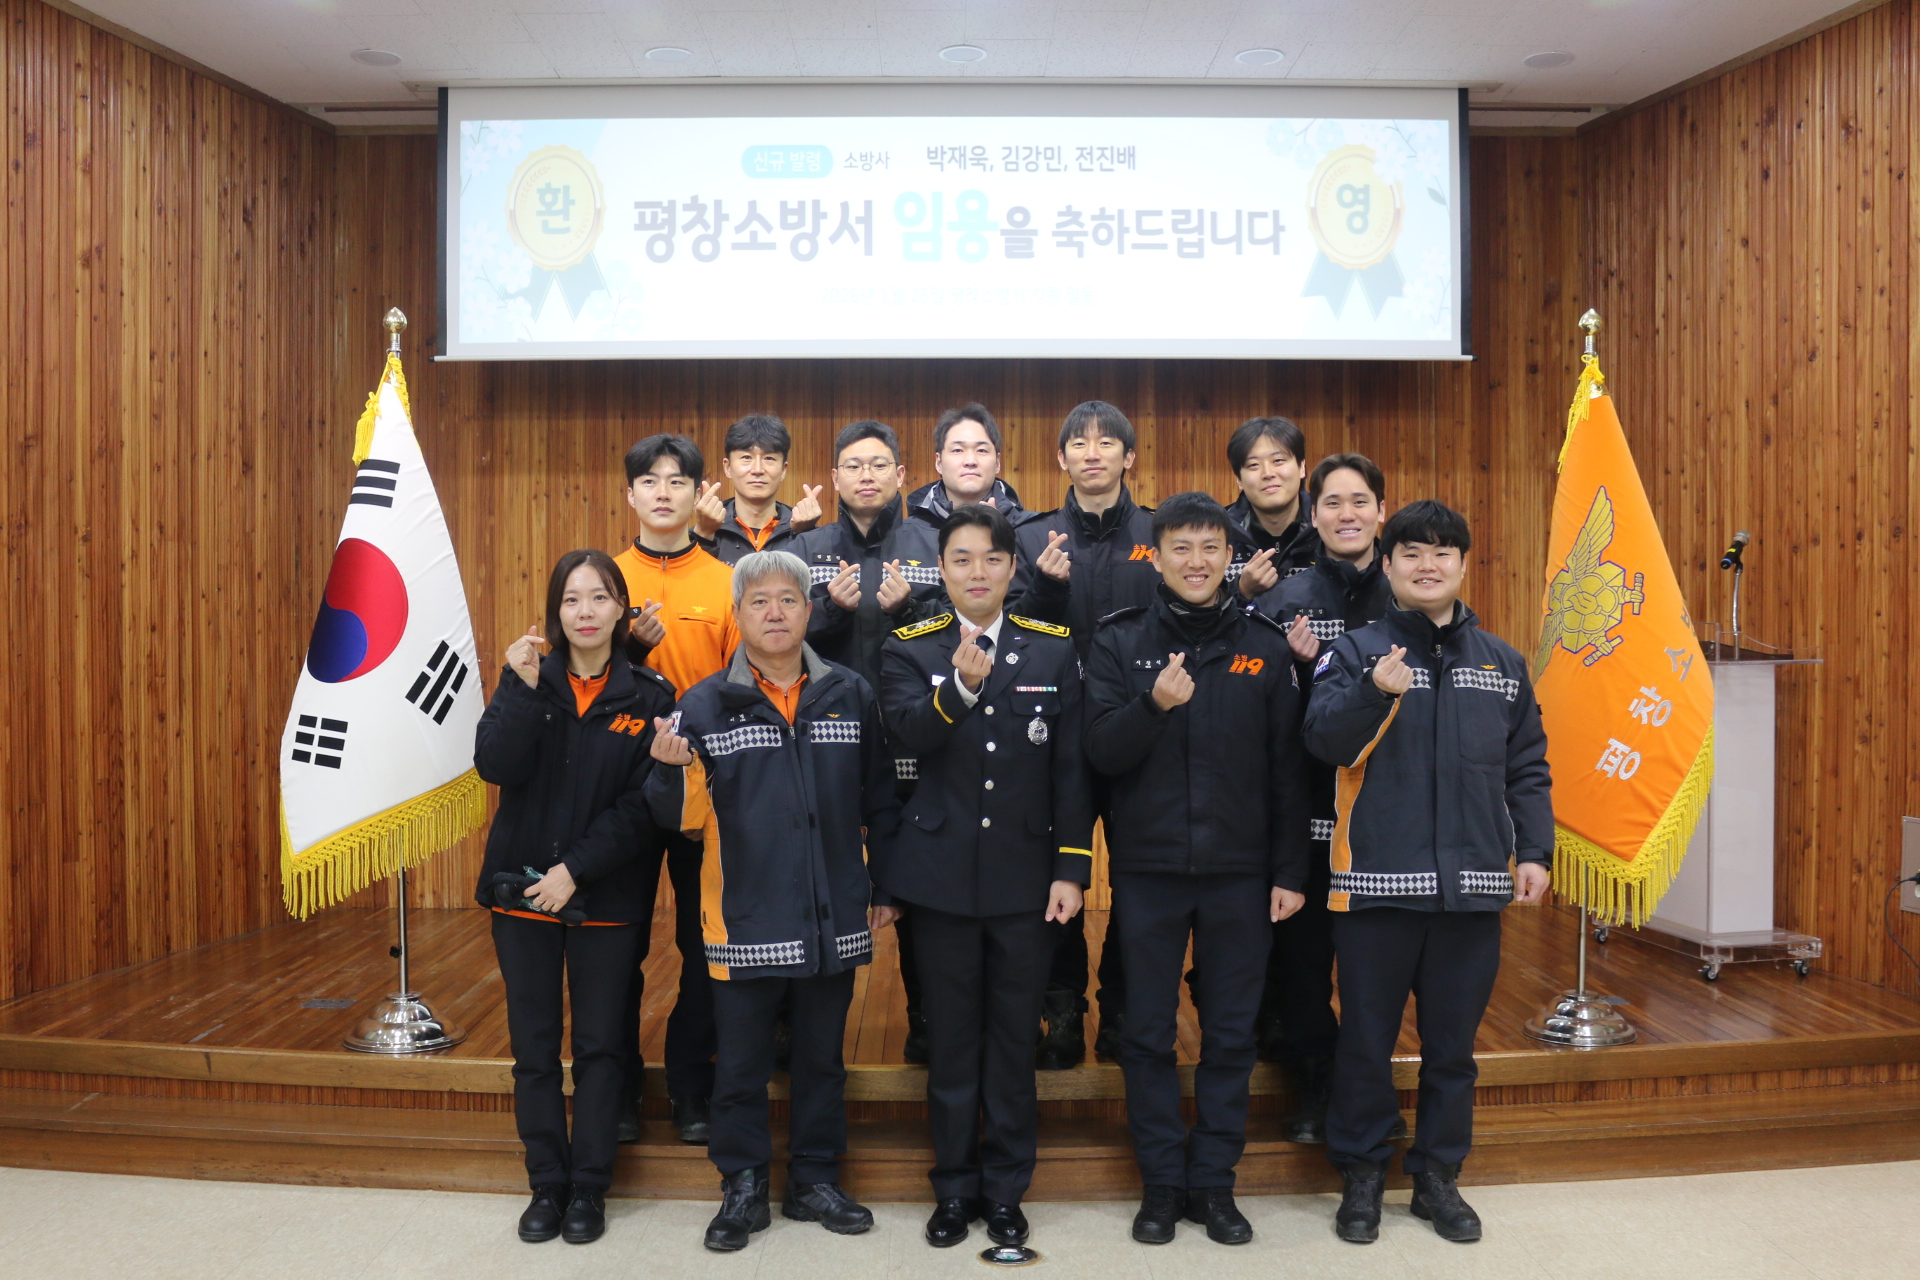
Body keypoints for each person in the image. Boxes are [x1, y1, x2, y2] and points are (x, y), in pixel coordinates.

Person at [1302, 500, 1552, 1246]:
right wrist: (1375, 691)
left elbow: (1527, 767)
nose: (1428, 565)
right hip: (1376, 888)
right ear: (1388, 565)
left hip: (1472, 890)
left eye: (1443, 552)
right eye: (1411, 552)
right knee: (1364, 1043)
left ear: (1464, 566)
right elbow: (1323, 742)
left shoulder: (1502, 663)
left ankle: (1438, 1175)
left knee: (1453, 1050)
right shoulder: (1355, 652)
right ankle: (1362, 1171)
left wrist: (1534, 852)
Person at [646, 550, 901, 1252]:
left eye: (788, 599)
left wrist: (885, 885)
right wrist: (667, 774)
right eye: (759, 602)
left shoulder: (850, 691)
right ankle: (744, 1185)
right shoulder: (702, 705)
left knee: (822, 1060)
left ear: (810, 611)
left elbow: (881, 797)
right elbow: (677, 821)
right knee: (740, 1064)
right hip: (743, 915)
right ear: (738, 616)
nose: (775, 613)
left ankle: (815, 1180)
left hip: (833, 913)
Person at [1083, 491, 1311, 1247]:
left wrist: (1289, 871)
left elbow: (1287, 773)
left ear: (1229, 557)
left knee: (1231, 1036)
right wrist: (1152, 706)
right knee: (1146, 1034)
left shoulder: (1264, 647)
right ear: (1157, 556)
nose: (1196, 561)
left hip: (1242, 874)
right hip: (1147, 870)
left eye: (1211, 547)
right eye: (1180, 547)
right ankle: (1160, 1184)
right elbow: (1099, 753)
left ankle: (1214, 1183)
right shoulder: (1119, 641)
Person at [878, 505, 1094, 1250]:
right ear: (941, 569)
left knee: (1011, 1041)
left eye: (992, 559)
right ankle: (953, 1189)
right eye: (962, 560)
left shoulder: (1051, 649)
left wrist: (1072, 869)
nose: (977, 573)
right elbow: (906, 733)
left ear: (1013, 569)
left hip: (1026, 879)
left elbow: (1070, 772)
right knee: (950, 1041)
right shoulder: (909, 646)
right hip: (938, 878)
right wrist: (960, 692)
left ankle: (1005, 1191)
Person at [473, 550, 677, 1246]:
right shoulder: (529, 677)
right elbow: (495, 765)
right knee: (534, 1049)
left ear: (621, 610)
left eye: (598, 598)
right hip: (520, 892)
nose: (584, 612)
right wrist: (522, 690)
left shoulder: (651, 695)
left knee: (600, 1047)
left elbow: (645, 806)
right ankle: (546, 1183)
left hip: (606, 895)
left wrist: (574, 870)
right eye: (571, 599)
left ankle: (589, 1186)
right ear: (555, 612)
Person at [1009, 400, 1161, 1067]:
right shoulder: (1029, 537)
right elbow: (1011, 631)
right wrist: (1044, 589)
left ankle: (1123, 1007)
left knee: (1139, 877)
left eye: (1106, 443)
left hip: (1139, 732)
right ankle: (1062, 1006)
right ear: (1061, 457)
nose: (1092, 453)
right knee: (1056, 873)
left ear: (1130, 457)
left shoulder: (1159, 532)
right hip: (1053, 732)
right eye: (1079, 443)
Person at [789, 418, 945, 1061]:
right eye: (853, 466)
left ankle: (927, 1019)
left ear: (901, 474)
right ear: (834, 478)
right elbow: (776, 639)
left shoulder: (932, 542)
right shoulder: (804, 549)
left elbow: (958, 636)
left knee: (918, 887)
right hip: (823, 742)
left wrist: (911, 610)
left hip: (915, 743)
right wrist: (830, 611)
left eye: (879, 465)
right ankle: (799, 1028)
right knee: (814, 878)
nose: (867, 476)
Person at [1249, 453, 1394, 1141]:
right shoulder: (1285, 599)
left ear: (1381, 512)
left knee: (1374, 965)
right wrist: (1296, 668)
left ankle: (1367, 1091)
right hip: (1304, 806)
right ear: (1314, 515)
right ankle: (1313, 1083)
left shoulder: (1408, 596)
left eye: (1360, 501)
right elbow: (1256, 705)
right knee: (1303, 960)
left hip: (1388, 815)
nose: (1347, 514)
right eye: (1332, 503)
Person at [611, 433, 741, 1146]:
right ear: (630, 494)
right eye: (649, 481)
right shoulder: (605, 577)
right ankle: (619, 1089)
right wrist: (630, 647)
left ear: (699, 494)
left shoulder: (726, 582)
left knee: (703, 946)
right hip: (621, 795)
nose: (663, 493)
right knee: (618, 948)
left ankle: (693, 1087)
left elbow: (743, 688)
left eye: (677, 481)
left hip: (704, 792)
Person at [692, 413, 824, 565]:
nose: (757, 469)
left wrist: (804, 535)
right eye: (746, 458)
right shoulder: (704, 531)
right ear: (727, 467)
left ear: (783, 470)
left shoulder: (804, 530)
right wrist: (704, 534)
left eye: (769, 458)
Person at [1224, 416, 1319, 600]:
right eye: (1254, 465)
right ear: (1239, 479)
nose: (1268, 473)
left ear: (1302, 467)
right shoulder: (1219, 534)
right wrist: (1242, 590)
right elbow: (1201, 612)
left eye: (1278, 460)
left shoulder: (1328, 529)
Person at [905, 402, 1040, 529]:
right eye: (958, 450)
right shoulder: (906, 534)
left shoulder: (1034, 530)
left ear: (997, 463)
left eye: (981, 450)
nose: (970, 461)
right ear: (939, 463)